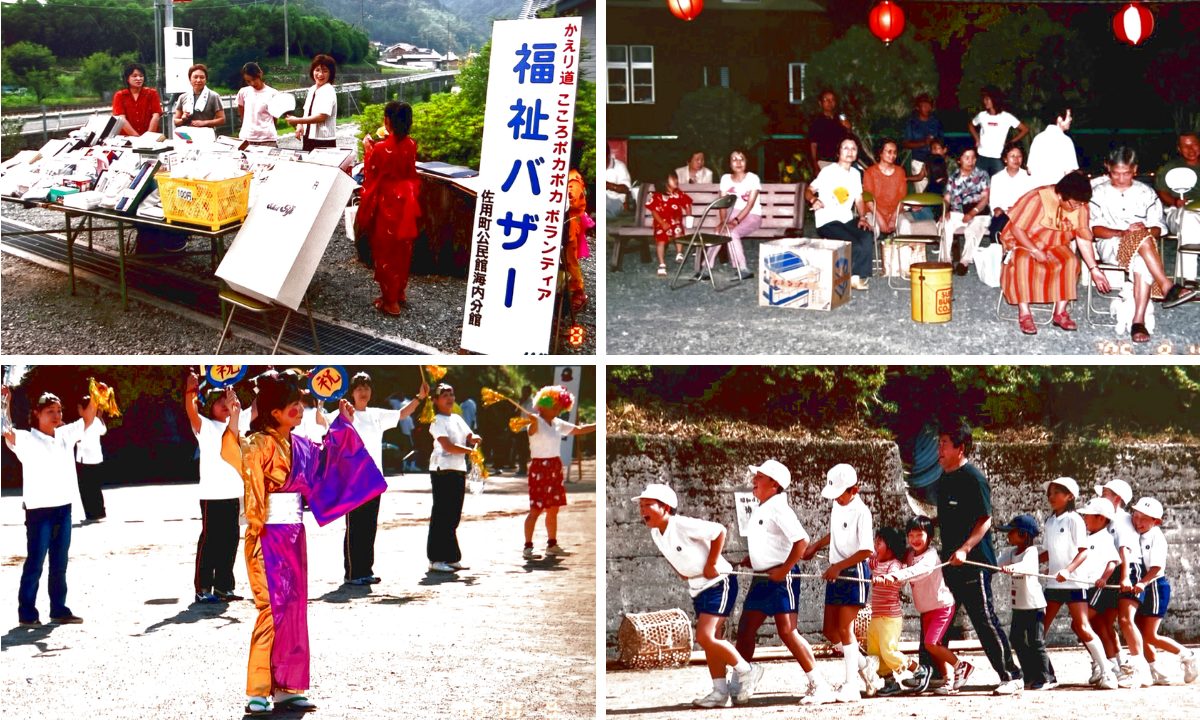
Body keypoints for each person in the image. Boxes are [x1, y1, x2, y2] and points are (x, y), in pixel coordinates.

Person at [221, 370, 386, 715]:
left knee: (294, 608)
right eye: (291, 404)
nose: (299, 407)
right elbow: (235, 456)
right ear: (274, 412)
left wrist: (342, 422)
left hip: (294, 535)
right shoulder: (259, 443)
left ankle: (288, 686)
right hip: (266, 534)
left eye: (298, 401)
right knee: (271, 609)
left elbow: (328, 458)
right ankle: (259, 688)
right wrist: (234, 423)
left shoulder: (299, 444)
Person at [632, 483, 764, 709]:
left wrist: (712, 562)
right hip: (698, 588)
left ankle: (747, 671)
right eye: (641, 505)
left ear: (665, 507)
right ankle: (720, 692)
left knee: (705, 636)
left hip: (718, 583)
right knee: (712, 641)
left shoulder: (680, 524)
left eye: (648, 505)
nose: (642, 510)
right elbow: (672, 556)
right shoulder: (656, 533)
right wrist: (683, 573)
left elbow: (719, 531)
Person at [733, 460, 834, 705]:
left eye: (760, 476)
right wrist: (753, 559)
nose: (754, 480)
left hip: (780, 579)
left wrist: (784, 569)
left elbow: (801, 541)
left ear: (774, 484)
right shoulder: (763, 507)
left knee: (787, 632)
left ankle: (819, 684)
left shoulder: (779, 508)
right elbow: (771, 542)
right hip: (762, 578)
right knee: (745, 629)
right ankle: (744, 677)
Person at [935, 421, 1023, 695]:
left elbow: (985, 520)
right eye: (939, 444)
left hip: (974, 563)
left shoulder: (974, 478)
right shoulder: (942, 480)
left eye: (944, 444)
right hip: (949, 563)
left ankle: (1011, 675)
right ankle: (940, 676)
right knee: (941, 618)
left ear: (960, 448)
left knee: (983, 619)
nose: (939, 449)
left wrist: (965, 548)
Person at [1087, 147, 1196, 343]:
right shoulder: (1098, 193)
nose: (1121, 178)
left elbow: (1159, 228)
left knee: (1141, 257)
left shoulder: (1146, 192)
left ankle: (1139, 322)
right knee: (1143, 239)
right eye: (1116, 173)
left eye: (1126, 173)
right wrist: (1122, 233)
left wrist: (1143, 231)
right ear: (1108, 168)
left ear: (1135, 169)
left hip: (1143, 252)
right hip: (1112, 246)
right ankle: (1166, 285)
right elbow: (1093, 229)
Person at [4, 388, 92, 626]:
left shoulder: (65, 434)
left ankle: (59, 609)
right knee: (35, 562)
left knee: (59, 563)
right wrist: (4, 402)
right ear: (37, 413)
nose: (56, 415)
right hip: (38, 511)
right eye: (50, 411)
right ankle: (27, 613)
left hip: (63, 509)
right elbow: (6, 430)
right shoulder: (26, 438)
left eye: (59, 410)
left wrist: (96, 394)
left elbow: (88, 418)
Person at [333, 372, 426, 585]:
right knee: (355, 525)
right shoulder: (345, 414)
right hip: (353, 478)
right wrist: (320, 400)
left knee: (369, 526)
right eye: (359, 388)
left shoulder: (376, 414)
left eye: (366, 387)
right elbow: (323, 423)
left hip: (373, 478)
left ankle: (366, 569)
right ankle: (353, 573)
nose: (363, 392)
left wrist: (419, 398)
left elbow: (402, 414)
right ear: (352, 393)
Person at [803, 463, 873, 702]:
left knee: (845, 629)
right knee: (830, 631)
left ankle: (851, 686)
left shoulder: (862, 512)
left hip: (853, 573)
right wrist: (815, 546)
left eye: (841, 494)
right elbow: (835, 532)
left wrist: (838, 567)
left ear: (855, 489)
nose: (838, 499)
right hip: (837, 572)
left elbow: (866, 550)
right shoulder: (837, 505)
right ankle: (866, 666)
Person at [875, 516, 968, 696]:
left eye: (920, 535)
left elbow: (917, 572)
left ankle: (961, 667)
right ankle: (947, 680)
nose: (915, 539)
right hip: (926, 609)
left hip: (942, 606)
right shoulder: (910, 554)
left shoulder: (931, 557)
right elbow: (896, 558)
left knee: (931, 644)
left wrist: (895, 576)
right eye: (911, 535)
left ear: (930, 537)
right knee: (933, 646)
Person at [1040, 477, 1116, 689]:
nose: (1051, 497)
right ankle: (1042, 675)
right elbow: (1046, 552)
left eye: (1057, 492)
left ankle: (1108, 672)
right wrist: (1022, 562)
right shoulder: (1049, 521)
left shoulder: (1074, 520)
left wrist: (1068, 570)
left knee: (1083, 627)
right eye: (1050, 493)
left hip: (1073, 583)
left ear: (1069, 497)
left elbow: (1083, 553)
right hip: (1054, 585)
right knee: (1040, 629)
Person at [999, 171, 1093, 335]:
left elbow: (1083, 237)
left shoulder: (1080, 205)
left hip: (1055, 242)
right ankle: (1025, 313)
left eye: (1081, 204)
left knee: (1070, 261)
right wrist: (1034, 250)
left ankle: (1060, 312)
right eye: (1074, 204)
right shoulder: (1037, 198)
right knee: (1023, 262)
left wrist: (1094, 268)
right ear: (1061, 195)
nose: (1078, 207)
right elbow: (1016, 229)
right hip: (1024, 240)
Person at [356, 101, 422, 315]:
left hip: (387, 202)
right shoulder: (411, 144)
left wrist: (368, 150)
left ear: (387, 121)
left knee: (385, 252)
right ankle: (399, 292)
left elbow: (371, 174)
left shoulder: (381, 148)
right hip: (407, 202)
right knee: (403, 250)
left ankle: (390, 302)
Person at [185, 376, 245, 603]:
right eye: (219, 401)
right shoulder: (205, 426)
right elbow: (191, 411)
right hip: (212, 493)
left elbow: (256, 410)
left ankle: (224, 587)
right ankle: (203, 589)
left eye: (225, 400)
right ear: (210, 406)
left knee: (230, 540)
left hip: (232, 492)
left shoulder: (236, 424)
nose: (224, 405)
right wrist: (190, 389)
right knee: (210, 540)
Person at [1130, 497, 1199, 685]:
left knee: (1150, 635)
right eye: (1136, 516)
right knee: (1138, 631)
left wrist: (1143, 583)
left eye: (1145, 518)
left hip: (1155, 587)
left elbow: (1155, 567)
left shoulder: (1156, 537)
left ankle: (1188, 655)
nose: (1139, 522)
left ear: (1156, 521)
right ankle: (1155, 671)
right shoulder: (1134, 533)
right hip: (1142, 586)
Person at [521, 386, 595, 559]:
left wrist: (597, 425)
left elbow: (577, 429)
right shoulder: (535, 422)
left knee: (553, 509)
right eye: (554, 405)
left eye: (559, 406)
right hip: (539, 468)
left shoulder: (557, 423)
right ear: (543, 405)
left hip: (554, 467)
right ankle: (527, 547)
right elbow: (531, 431)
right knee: (536, 510)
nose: (557, 409)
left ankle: (552, 544)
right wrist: (532, 421)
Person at [1093, 479, 1152, 687]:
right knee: (1100, 619)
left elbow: (1124, 551)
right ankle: (1115, 665)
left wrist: (1126, 576)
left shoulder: (1123, 520)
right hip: (1114, 571)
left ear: (1117, 499)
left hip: (1129, 569)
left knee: (1126, 620)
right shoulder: (1109, 519)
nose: (1101, 496)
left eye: (1105, 493)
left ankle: (1141, 670)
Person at [996, 514, 1053, 690]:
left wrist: (1011, 568)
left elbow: (1026, 568)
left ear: (1022, 534)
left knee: (1036, 641)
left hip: (1033, 605)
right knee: (1017, 639)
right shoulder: (1012, 552)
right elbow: (997, 562)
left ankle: (1046, 677)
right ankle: (1029, 674)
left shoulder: (1031, 552)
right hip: (1019, 605)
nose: (1008, 536)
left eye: (1011, 532)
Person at [427, 383, 480, 573]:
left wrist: (474, 438)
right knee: (442, 514)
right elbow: (448, 446)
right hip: (442, 469)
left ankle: (451, 557)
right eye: (444, 395)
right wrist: (470, 450)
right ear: (435, 400)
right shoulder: (436, 420)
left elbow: (468, 434)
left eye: (452, 394)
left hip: (458, 468)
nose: (449, 398)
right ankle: (435, 558)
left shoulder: (456, 417)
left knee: (453, 515)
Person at [807, 138, 873, 290]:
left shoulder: (856, 173)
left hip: (846, 220)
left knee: (866, 235)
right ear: (839, 152)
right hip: (827, 221)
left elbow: (858, 199)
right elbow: (809, 190)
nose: (850, 152)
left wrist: (862, 217)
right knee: (852, 243)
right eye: (846, 148)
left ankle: (857, 276)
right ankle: (849, 277)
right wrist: (813, 200)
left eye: (853, 149)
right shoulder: (828, 171)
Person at [1078, 498, 1123, 687]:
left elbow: (1113, 561)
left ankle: (1102, 663)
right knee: (1098, 625)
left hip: (1097, 588)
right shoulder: (1089, 537)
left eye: (1088, 515)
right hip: (1087, 586)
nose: (1085, 518)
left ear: (1101, 518)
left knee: (1080, 624)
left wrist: (1104, 578)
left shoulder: (1105, 538)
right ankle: (1110, 664)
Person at [698, 149, 761, 281]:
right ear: (729, 163)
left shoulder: (753, 178)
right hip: (731, 215)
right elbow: (723, 204)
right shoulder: (726, 179)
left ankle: (743, 269)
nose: (738, 162)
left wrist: (734, 222)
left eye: (741, 158)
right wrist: (723, 221)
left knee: (731, 232)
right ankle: (705, 268)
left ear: (747, 161)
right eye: (734, 159)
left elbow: (749, 205)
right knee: (720, 231)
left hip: (751, 215)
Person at [865, 527, 913, 696]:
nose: (875, 545)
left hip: (890, 618)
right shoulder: (876, 562)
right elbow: (864, 560)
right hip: (876, 616)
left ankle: (916, 668)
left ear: (891, 547)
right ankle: (891, 683)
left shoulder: (895, 565)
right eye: (875, 541)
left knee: (889, 651)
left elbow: (895, 577)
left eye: (879, 542)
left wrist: (883, 579)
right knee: (875, 652)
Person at [1154, 131, 1200, 283]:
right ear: (1179, 149)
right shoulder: (1171, 167)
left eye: (1194, 144)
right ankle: (1189, 278)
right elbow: (1161, 191)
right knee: (1189, 219)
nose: (1190, 149)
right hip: (1178, 212)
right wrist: (1175, 201)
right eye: (1185, 146)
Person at [941, 147, 991, 277]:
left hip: (978, 212)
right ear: (959, 160)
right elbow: (946, 199)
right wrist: (945, 211)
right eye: (966, 158)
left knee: (973, 229)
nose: (971, 161)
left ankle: (964, 262)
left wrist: (972, 213)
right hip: (959, 211)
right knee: (945, 224)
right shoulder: (953, 177)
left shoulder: (982, 175)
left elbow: (985, 199)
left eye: (973, 158)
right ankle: (947, 261)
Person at [968, 86, 1028, 177]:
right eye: (984, 99)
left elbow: (1025, 129)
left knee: (999, 184)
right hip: (982, 156)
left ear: (994, 100)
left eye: (988, 99)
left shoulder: (1006, 117)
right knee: (978, 183)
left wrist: (1011, 142)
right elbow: (971, 125)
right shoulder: (982, 115)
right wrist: (977, 139)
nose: (985, 101)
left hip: (997, 157)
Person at [646, 169, 693, 276]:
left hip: (675, 222)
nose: (676, 180)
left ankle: (679, 253)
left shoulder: (679, 194)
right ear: (664, 182)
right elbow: (654, 211)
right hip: (661, 224)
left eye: (676, 178)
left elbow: (687, 203)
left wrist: (689, 214)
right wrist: (662, 223)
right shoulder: (657, 196)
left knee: (678, 232)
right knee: (660, 241)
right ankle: (662, 264)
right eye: (673, 178)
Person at [287, 54, 338, 151]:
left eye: (325, 71)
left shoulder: (328, 91)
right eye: (317, 70)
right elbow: (306, 112)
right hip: (308, 138)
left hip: (323, 141)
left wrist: (297, 120)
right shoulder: (312, 90)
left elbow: (321, 117)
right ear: (312, 71)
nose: (320, 74)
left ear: (331, 73)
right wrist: (300, 125)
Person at [988, 143, 1037, 239]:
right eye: (1012, 156)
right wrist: (997, 208)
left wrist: (1017, 210)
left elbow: (1032, 200)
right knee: (998, 225)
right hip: (1003, 214)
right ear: (1005, 159)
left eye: (1019, 156)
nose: (1016, 159)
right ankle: (999, 249)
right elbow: (994, 201)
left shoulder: (1028, 177)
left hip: (1022, 215)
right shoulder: (997, 178)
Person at [74, 394, 107, 523]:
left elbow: (78, 439)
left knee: (86, 488)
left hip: (85, 459)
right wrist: (100, 417)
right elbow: (103, 431)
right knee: (95, 487)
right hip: (96, 458)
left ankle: (91, 514)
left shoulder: (82, 423)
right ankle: (99, 512)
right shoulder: (97, 421)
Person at [1026, 107, 1079, 187]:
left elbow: (1030, 170)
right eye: (1069, 116)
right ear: (1059, 119)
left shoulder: (1038, 138)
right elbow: (1069, 173)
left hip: (1037, 192)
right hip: (1056, 192)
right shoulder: (1066, 141)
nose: (1071, 119)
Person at [903, 94, 944, 193]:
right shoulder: (912, 123)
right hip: (919, 161)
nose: (927, 108)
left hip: (935, 162)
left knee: (937, 191)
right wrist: (923, 143)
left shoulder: (935, 122)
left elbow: (942, 141)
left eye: (929, 105)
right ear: (918, 107)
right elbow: (905, 143)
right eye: (924, 105)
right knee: (922, 193)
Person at [565, 146, 589, 312]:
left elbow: (572, 202)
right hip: (567, 220)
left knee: (570, 257)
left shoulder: (573, 179)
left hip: (572, 221)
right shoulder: (570, 176)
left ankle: (578, 290)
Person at [808, 89, 851, 177]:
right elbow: (813, 145)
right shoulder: (816, 121)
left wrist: (848, 128)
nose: (829, 102)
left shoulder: (840, 118)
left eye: (832, 100)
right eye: (826, 100)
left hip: (840, 161)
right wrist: (815, 165)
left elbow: (848, 139)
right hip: (824, 162)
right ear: (820, 103)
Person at [112, 62, 162, 137]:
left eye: (141, 76)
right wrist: (136, 137)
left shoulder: (152, 93)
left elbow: (156, 115)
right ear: (127, 79)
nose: (138, 78)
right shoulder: (120, 96)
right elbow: (121, 119)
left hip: (150, 138)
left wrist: (149, 136)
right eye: (134, 76)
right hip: (128, 139)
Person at [236, 62, 279, 147]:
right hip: (247, 138)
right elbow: (242, 112)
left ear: (260, 74)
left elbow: (275, 118)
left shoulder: (273, 94)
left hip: (268, 139)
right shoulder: (243, 92)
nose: (252, 83)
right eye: (248, 81)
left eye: (254, 79)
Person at [173, 63, 225, 132]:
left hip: (206, 134)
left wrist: (204, 123)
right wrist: (183, 119)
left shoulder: (213, 96)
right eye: (195, 77)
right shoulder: (183, 97)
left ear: (206, 79)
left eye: (202, 77)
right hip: (187, 135)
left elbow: (222, 119)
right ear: (190, 79)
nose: (198, 80)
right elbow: (176, 121)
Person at [605, 145, 632, 219]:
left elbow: (626, 189)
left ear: (608, 155)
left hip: (616, 200)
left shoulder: (619, 166)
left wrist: (609, 185)